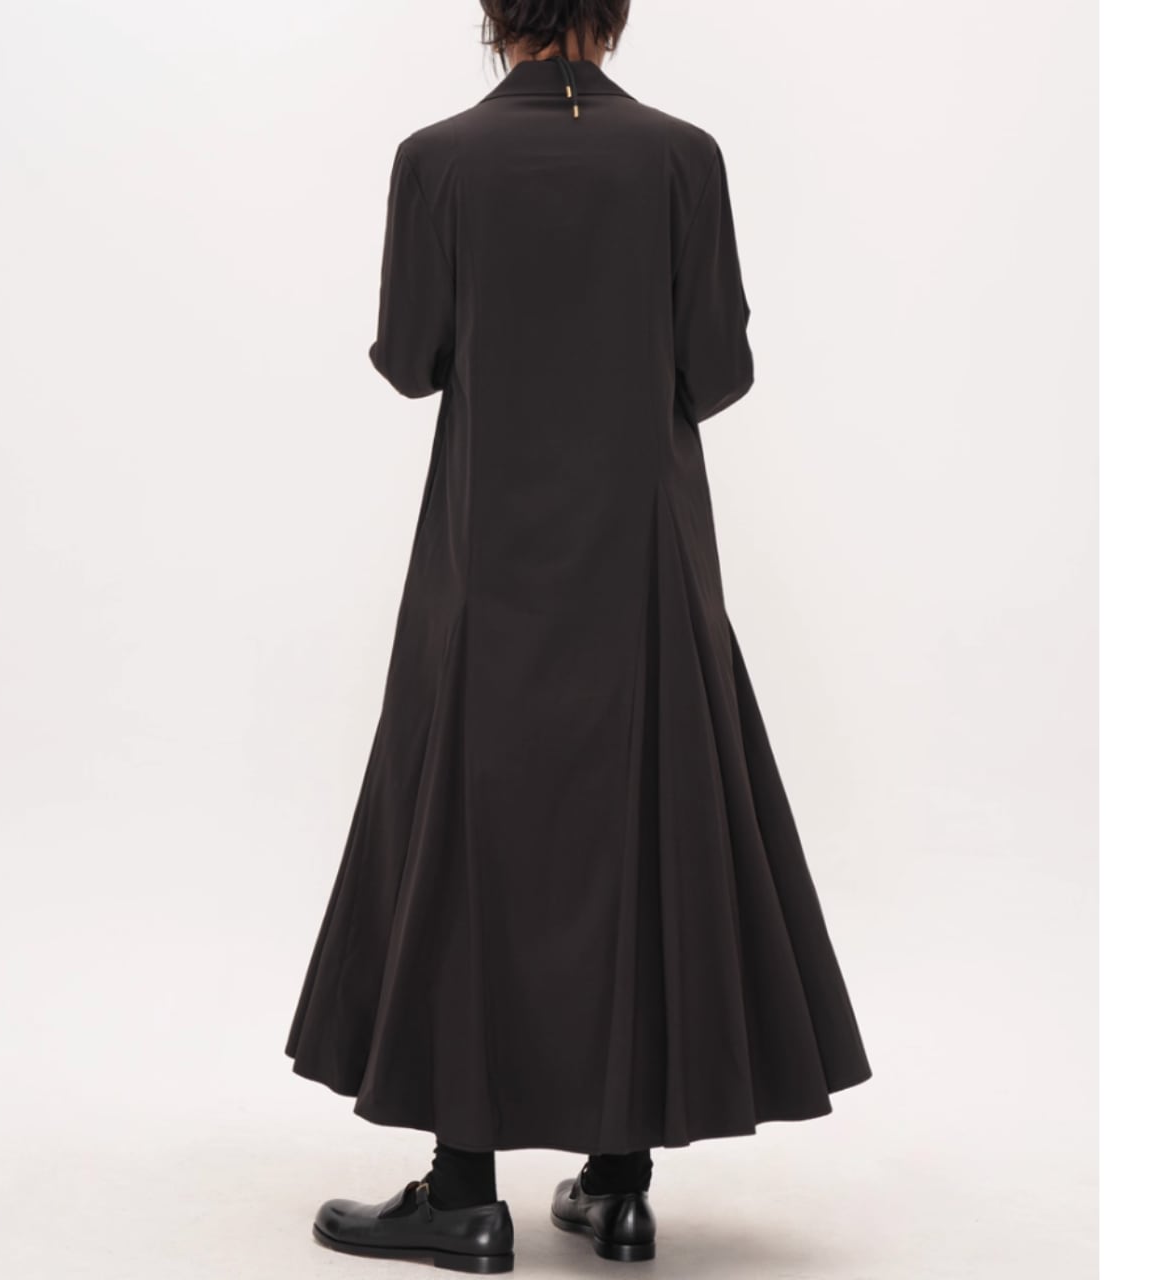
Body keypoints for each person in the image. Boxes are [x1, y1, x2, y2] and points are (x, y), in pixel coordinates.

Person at [285, 2, 872, 1271]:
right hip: (645, 557)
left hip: (485, 554)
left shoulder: (437, 158)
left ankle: (463, 1190)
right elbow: (716, 370)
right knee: (639, 824)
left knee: (469, 827)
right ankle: (616, 1184)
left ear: (492, 13)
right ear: (614, 12)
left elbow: (409, 360)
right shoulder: (681, 156)